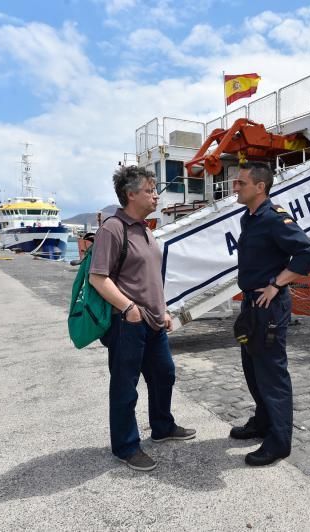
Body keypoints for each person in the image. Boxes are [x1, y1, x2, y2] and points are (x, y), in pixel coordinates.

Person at [89, 166, 195, 472]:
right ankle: (125, 446)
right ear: (131, 194)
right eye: (150, 190)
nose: (156, 195)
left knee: (164, 374)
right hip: (128, 323)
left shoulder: (144, 229)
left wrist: (162, 311)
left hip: (153, 321)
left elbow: (148, 277)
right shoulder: (113, 228)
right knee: (125, 386)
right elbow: (99, 278)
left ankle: (162, 427)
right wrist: (128, 309)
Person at [230, 162, 310, 467]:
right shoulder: (248, 218)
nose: (235, 187)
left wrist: (276, 285)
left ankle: (279, 443)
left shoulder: (274, 219)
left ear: (260, 187)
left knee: (272, 373)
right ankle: (263, 422)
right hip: (252, 304)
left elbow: (308, 253)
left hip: (269, 306)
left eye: (241, 183)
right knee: (253, 369)